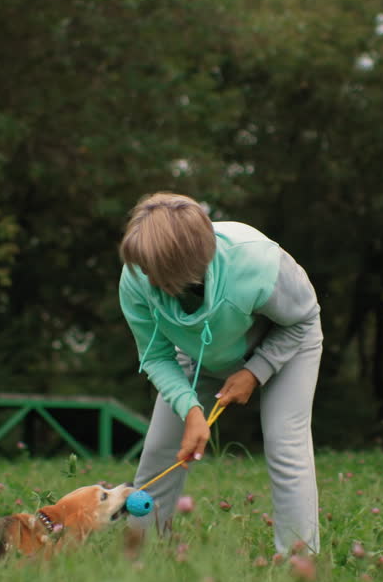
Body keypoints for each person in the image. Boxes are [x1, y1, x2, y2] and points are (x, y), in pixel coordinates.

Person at [117, 192, 323, 554]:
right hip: (200, 350)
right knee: (160, 450)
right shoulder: (136, 274)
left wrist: (255, 371)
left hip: (286, 343)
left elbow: (302, 320)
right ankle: (140, 558)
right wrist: (191, 410)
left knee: (284, 444)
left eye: (150, 269)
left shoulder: (258, 262)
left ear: (181, 267)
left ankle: (298, 564)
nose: (141, 274)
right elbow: (155, 356)